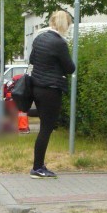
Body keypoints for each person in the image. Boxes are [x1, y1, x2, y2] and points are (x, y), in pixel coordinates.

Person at [28, 10, 76, 178]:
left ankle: (38, 165)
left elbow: (32, 60)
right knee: (46, 129)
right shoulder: (59, 43)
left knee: (44, 127)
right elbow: (70, 68)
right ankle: (37, 167)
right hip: (51, 89)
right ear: (65, 24)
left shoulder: (39, 38)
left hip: (36, 87)